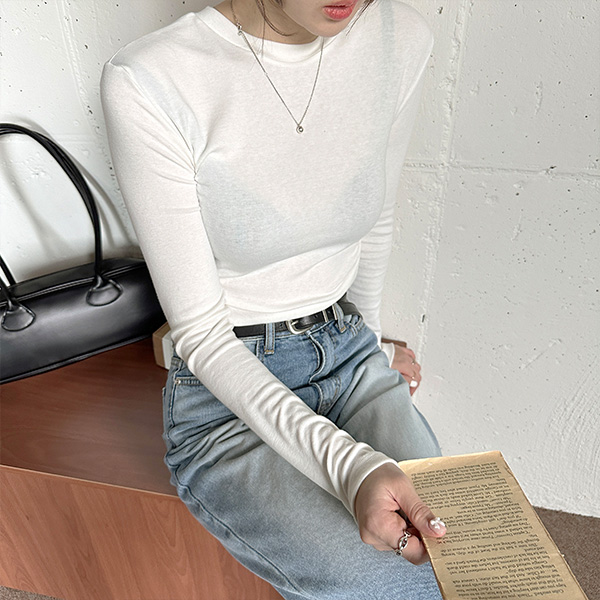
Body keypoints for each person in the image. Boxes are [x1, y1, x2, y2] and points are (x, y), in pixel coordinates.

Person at [100, 0, 448, 597]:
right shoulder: (153, 78)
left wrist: (372, 341)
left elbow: (374, 220)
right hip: (225, 392)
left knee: (456, 550)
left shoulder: (399, 37)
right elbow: (201, 334)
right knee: (396, 585)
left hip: (349, 354)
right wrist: (352, 468)